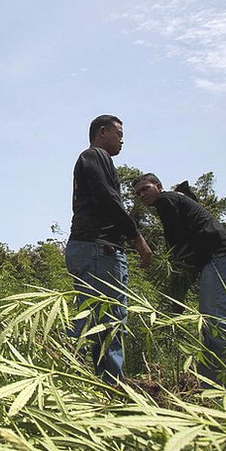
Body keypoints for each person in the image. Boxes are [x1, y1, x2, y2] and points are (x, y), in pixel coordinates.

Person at [131, 172, 226, 385]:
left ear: (158, 185)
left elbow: (178, 250)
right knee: (212, 330)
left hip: (222, 260)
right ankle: (212, 389)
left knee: (220, 325)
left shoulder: (167, 201)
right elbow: (188, 251)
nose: (141, 195)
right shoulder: (177, 202)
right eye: (137, 193)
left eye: (145, 189)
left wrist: (176, 291)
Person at [66, 115, 152, 384]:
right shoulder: (94, 156)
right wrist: (137, 237)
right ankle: (110, 386)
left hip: (94, 249)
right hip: (98, 250)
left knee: (94, 317)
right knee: (109, 321)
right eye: (118, 133)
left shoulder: (96, 161)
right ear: (102, 132)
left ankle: (91, 380)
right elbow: (108, 198)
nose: (122, 139)